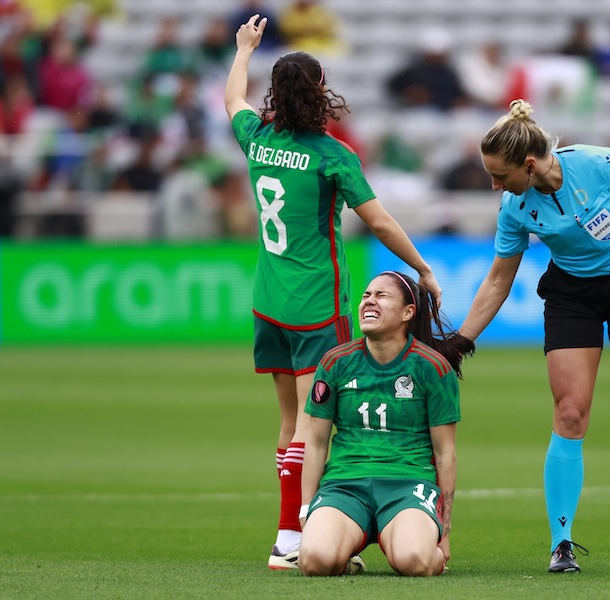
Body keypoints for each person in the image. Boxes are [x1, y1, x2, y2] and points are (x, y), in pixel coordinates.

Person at [224, 14, 443, 570]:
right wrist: (420, 266)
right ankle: (297, 537)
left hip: (267, 299)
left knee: (286, 422)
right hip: (314, 304)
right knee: (312, 424)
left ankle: (286, 535)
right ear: (319, 93)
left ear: (276, 94)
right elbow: (381, 222)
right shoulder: (332, 156)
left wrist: (244, 51)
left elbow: (232, 101)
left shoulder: (258, 139)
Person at [454, 100, 610, 574]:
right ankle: (561, 544)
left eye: (500, 175)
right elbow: (499, 280)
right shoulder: (515, 205)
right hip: (572, 295)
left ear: (528, 163)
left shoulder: (599, 165)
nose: (495, 186)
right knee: (569, 413)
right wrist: (461, 340)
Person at [299, 271, 472, 576]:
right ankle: (345, 551)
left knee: (413, 562)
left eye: (381, 296)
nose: (369, 301)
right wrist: (305, 509)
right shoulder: (335, 362)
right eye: (366, 295)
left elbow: (445, 454)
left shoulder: (432, 367)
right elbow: (315, 443)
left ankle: (409, 539)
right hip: (345, 485)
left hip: (408, 485)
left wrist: (445, 531)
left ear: (408, 312)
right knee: (314, 561)